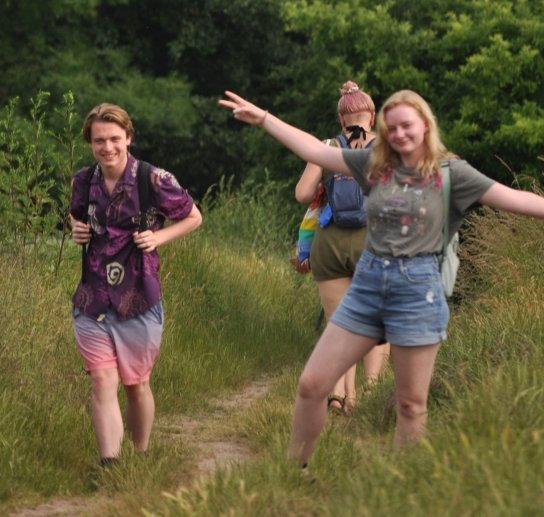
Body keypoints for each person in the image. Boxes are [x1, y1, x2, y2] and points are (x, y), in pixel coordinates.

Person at [219, 88, 544, 468]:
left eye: (407, 125)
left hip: (417, 291)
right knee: (312, 384)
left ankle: (401, 486)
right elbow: (315, 152)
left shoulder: (452, 173)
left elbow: (517, 199)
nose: (400, 134)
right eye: (392, 128)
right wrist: (264, 119)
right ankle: (295, 470)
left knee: (410, 404)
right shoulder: (375, 165)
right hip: (368, 286)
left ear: (425, 124)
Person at [69, 103, 202, 466]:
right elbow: (76, 215)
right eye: (99, 141)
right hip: (91, 298)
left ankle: (140, 458)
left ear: (128, 138)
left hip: (139, 297)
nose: (107, 147)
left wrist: (159, 238)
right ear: (91, 143)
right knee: (101, 379)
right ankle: (110, 465)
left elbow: (193, 217)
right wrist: (75, 228)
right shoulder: (83, 180)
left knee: (136, 384)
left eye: (114, 139)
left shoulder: (154, 179)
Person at [293, 81, 389, 414]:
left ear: (340, 119)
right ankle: (368, 392)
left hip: (331, 244)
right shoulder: (386, 148)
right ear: (373, 116)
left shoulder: (328, 146)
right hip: (375, 243)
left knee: (341, 322)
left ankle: (338, 392)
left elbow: (303, 194)